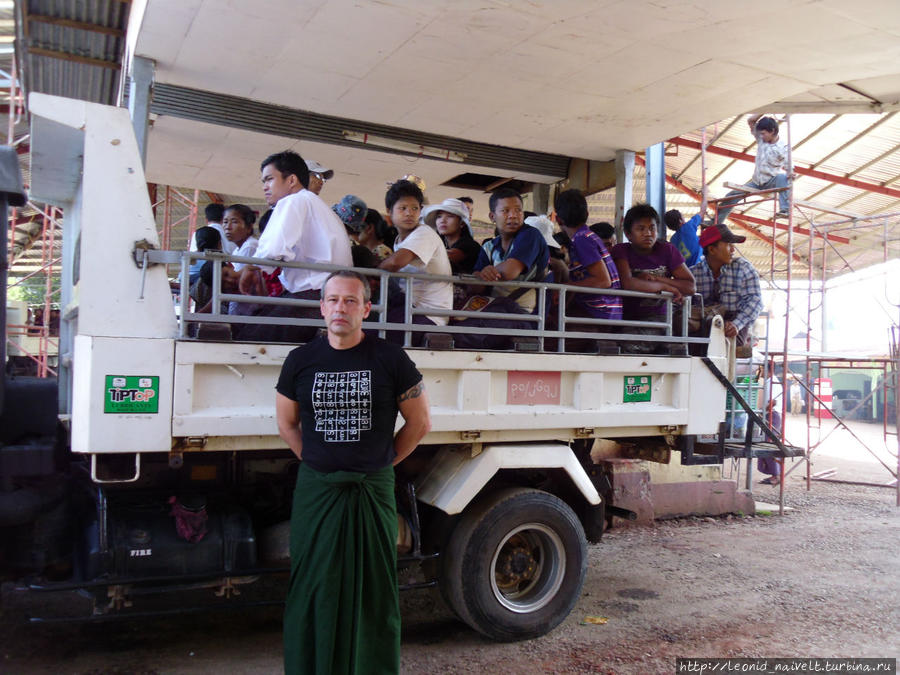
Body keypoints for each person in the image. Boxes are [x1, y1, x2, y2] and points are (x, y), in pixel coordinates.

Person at [276, 270, 431, 675]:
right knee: (313, 585)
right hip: (317, 492)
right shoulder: (301, 360)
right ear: (322, 307)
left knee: (373, 588)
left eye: (350, 301)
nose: (340, 308)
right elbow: (287, 424)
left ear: (365, 308)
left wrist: (382, 465)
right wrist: (314, 460)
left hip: (372, 491)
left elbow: (419, 423)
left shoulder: (390, 358)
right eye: (333, 300)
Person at [236, 150, 352, 342]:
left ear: (291, 180)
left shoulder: (292, 201)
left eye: (269, 179)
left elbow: (272, 251)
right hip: (332, 297)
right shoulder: (322, 208)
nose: (265, 187)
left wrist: (250, 267)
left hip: (312, 297)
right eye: (263, 181)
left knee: (247, 338)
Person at [611, 204, 695, 350]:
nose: (648, 233)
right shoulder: (621, 251)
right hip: (628, 317)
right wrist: (666, 287)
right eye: (641, 228)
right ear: (628, 233)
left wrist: (657, 279)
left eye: (652, 228)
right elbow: (628, 283)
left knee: (628, 344)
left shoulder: (667, 250)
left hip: (661, 318)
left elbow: (690, 286)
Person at [378, 180, 453, 336]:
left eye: (414, 208)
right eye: (402, 208)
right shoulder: (400, 240)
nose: (409, 213)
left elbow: (393, 263)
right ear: (389, 211)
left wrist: (368, 276)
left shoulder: (424, 234)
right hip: (409, 306)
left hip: (428, 316)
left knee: (371, 332)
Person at [473, 187, 549, 313]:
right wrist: (480, 275)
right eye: (505, 211)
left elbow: (510, 272)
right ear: (492, 216)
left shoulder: (530, 235)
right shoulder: (489, 247)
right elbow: (475, 287)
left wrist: (486, 273)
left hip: (524, 314)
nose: (513, 215)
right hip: (494, 308)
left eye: (518, 210)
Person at [555, 189, 622, 325]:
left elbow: (603, 281)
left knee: (548, 333)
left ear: (558, 220)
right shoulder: (588, 236)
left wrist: (566, 286)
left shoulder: (582, 240)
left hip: (601, 311)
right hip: (605, 310)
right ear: (587, 214)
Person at [689, 224, 763, 347]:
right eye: (729, 245)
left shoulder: (743, 268)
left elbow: (755, 301)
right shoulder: (693, 273)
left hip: (733, 325)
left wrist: (737, 324)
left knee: (724, 343)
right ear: (712, 250)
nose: (733, 250)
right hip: (704, 324)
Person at [714, 114, 790, 224]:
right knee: (731, 196)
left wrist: (791, 173)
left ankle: (785, 210)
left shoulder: (783, 148)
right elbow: (751, 120)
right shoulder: (761, 139)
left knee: (783, 177)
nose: (761, 136)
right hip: (755, 182)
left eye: (763, 133)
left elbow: (789, 168)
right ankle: (716, 222)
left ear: (772, 131)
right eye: (760, 134)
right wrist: (765, 108)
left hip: (770, 182)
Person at [424, 197, 481, 275]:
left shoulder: (469, 245)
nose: (442, 220)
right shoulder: (439, 243)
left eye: (450, 216)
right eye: (439, 216)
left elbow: (445, 257)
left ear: (462, 223)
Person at [222, 203, 259, 269]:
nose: (228, 227)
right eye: (225, 222)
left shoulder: (250, 246)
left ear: (249, 227)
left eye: (234, 222)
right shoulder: (237, 250)